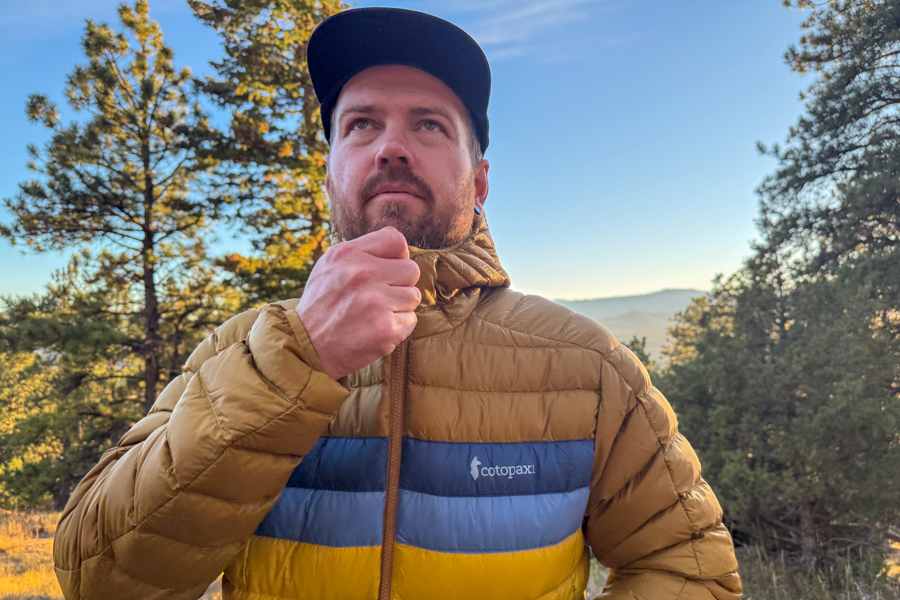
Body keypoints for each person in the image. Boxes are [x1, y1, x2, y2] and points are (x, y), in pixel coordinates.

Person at [53, 7, 742, 600]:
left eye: (430, 125)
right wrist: (296, 362)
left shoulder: (589, 366)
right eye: (361, 125)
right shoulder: (240, 353)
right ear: (329, 174)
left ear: (479, 183)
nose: (390, 147)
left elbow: (689, 567)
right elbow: (98, 577)